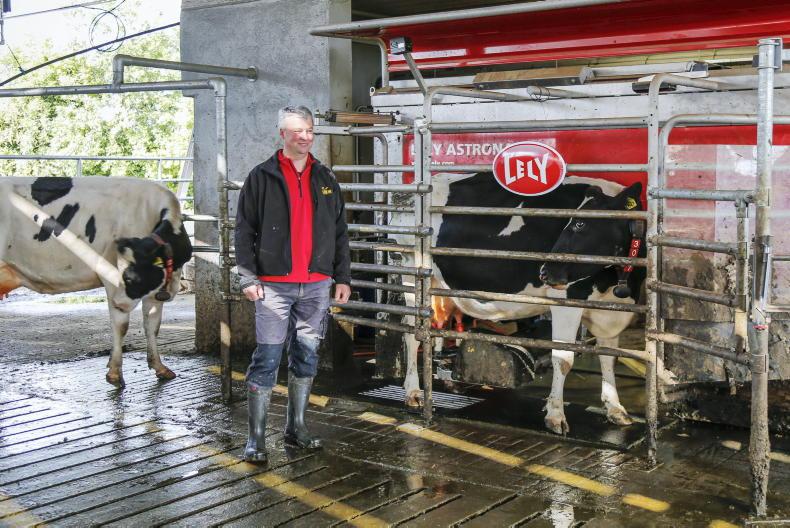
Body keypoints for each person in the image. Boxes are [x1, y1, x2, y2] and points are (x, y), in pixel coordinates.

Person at [234, 105, 351, 464]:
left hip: (316, 285)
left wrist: (342, 277)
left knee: (307, 355)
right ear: (282, 134)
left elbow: (340, 231)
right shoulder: (261, 176)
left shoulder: (325, 177)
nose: (305, 137)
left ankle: (296, 427)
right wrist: (247, 276)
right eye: (298, 131)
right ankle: (255, 439)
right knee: (267, 358)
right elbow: (244, 230)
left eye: (310, 130)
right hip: (273, 286)